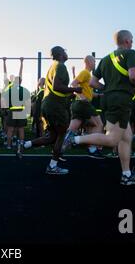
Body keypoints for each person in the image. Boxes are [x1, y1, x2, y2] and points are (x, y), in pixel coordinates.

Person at [62, 30, 135, 185]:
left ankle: (126, 175)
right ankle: (75, 139)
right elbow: (133, 76)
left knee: (126, 137)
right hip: (121, 100)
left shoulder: (105, 59)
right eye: (131, 40)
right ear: (126, 41)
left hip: (110, 99)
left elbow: (93, 83)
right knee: (112, 139)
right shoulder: (130, 53)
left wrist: (108, 89)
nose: (132, 42)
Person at [23, 46, 81, 174]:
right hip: (55, 106)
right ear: (60, 54)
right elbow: (57, 86)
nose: (66, 54)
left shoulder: (52, 66)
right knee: (61, 134)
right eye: (65, 52)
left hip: (48, 104)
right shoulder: (60, 66)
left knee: (52, 136)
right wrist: (75, 90)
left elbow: (57, 88)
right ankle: (52, 166)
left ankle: (24, 145)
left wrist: (69, 93)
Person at [68, 55, 104, 158]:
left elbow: (88, 92)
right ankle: (92, 148)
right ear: (89, 62)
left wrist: (100, 95)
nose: (95, 64)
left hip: (78, 105)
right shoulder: (85, 73)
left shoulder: (88, 76)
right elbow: (73, 84)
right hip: (83, 104)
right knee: (99, 125)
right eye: (94, 61)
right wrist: (82, 97)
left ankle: (59, 150)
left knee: (72, 129)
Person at [2, 75, 30, 158]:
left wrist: (6, 109)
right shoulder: (25, 90)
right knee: (21, 129)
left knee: (10, 129)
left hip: (12, 110)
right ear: (21, 81)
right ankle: (20, 146)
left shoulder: (10, 90)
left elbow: (4, 100)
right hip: (21, 110)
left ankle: (9, 146)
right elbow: (28, 102)